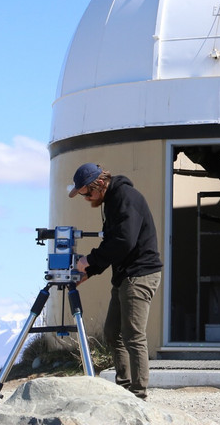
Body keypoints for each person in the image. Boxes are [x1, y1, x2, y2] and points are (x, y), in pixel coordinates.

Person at [69, 162, 162, 399]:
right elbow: (112, 244)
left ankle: (139, 395)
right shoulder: (111, 202)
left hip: (140, 274)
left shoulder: (125, 198)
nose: (87, 199)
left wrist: (89, 259)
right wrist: (89, 271)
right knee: (112, 332)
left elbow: (123, 242)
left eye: (87, 193)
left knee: (133, 334)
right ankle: (123, 388)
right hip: (125, 275)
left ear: (99, 185)